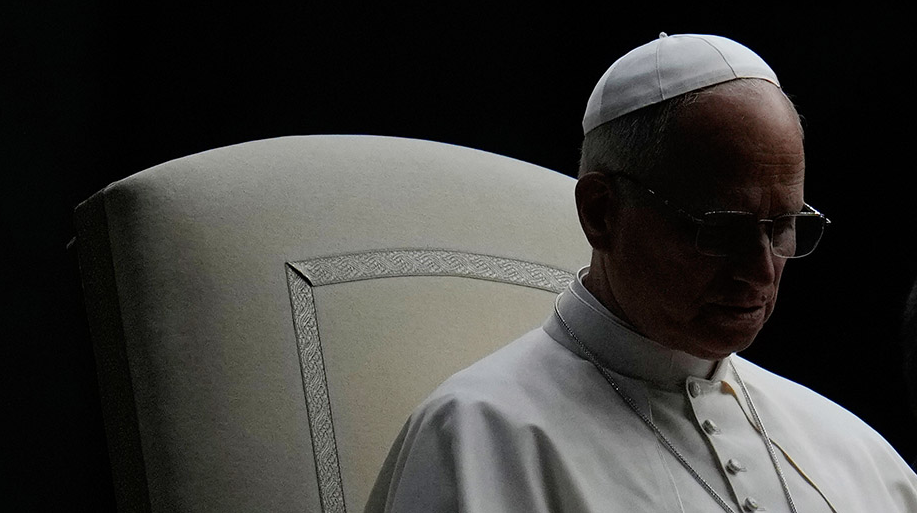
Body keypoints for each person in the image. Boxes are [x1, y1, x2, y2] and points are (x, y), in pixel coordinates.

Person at [365, 33, 917, 512]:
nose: (759, 269)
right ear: (602, 213)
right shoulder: (478, 438)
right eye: (721, 229)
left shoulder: (851, 452)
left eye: (781, 228)